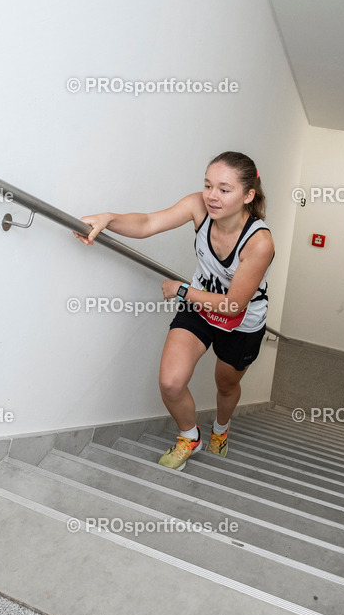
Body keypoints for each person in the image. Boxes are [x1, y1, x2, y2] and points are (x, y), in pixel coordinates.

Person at [75, 151, 274, 470]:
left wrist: (181, 290)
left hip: (241, 323)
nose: (212, 196)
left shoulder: (259, 242)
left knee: (226, 384)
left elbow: (234, 304)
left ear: (248, 195)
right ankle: (190, 436)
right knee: (170, 382)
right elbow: (149, 222)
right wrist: (109, 219)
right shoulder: (199, 206)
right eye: (208, 185)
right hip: (199, 308)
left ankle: (220, 430)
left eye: (224, 189)